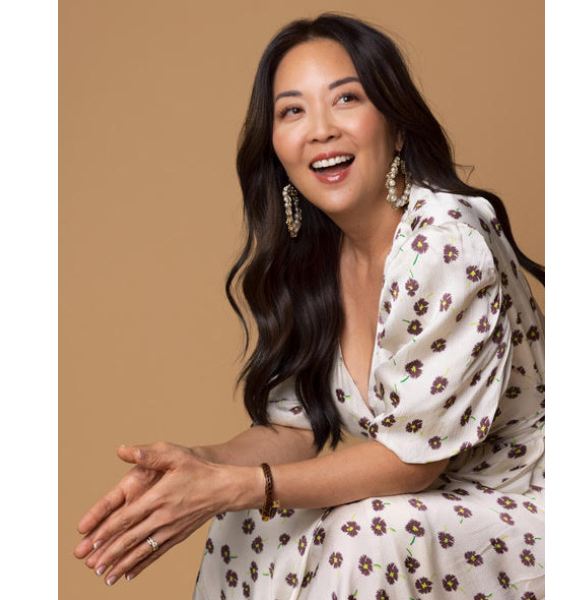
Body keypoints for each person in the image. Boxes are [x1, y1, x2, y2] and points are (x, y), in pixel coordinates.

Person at [74, 13, 545, 600]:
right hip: (425, 508)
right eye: (292, 110)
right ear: (276, 147)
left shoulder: (444, 240)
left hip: (515, 503)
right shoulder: (314, 257)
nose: (321, 130)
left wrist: (236, 486)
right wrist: (200, 469)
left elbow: (414, 462)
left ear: (397, 126)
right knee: (246, 522)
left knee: (363, 533)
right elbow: (295, 426)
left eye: (346, 98)